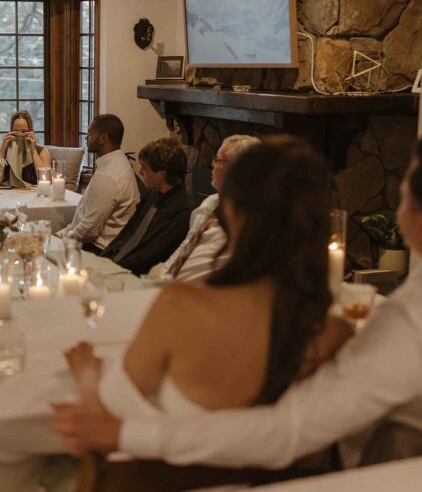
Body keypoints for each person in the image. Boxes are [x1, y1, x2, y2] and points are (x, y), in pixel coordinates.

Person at [52, 132, 422, 471]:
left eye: (405, 192)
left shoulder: (409, 327)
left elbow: (285, 433)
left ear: (420, 223)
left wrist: (123, 434)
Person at [65, 137, 353, 431]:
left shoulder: (181, 306)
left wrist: (86, 376)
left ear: (231, 215)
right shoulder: (332, 332)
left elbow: (106, 414)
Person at [153, 134, 259, 282]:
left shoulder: (246, 222)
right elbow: (186, 247)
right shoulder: (209, 203)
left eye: (218, 160)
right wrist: (162, 274)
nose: (212, 164)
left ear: (238, 167)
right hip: (169, 286)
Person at [99, 137, 193, 275]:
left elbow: (152, 254)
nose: (141, 172)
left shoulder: (182, 211)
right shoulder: (153, 195)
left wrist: (114, 268)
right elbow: (127, 234)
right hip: (117, 262)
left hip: (135, 274)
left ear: (162, 173)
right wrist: (103, 260)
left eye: (145, 167)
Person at [57, 114, 140, 252]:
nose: (86, 137)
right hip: (90, 243)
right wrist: (57, 236)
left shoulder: (109, 175)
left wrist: (59, 240)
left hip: (99, 250)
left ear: (103, 138)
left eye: (90, 133)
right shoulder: (114, 163)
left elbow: (89, 230)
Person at [0, 110, 52, 187]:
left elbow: (46, 181)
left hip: (34, 195)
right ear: (10, 131)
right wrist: (3, 150)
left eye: (24, 131)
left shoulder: (42, 152)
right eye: (15, 131)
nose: (20, 134)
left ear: (31, 131)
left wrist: (33, 151)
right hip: (8, 195)